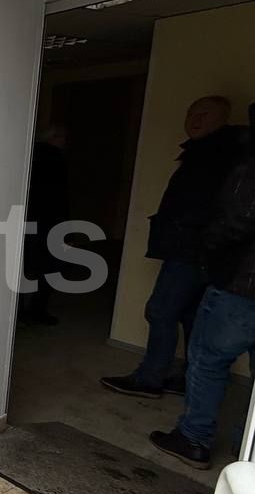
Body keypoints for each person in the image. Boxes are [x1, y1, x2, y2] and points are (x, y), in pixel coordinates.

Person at [150, 79, 255, 469]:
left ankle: (193, 437)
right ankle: (250, 448)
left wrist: (211, 256)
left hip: (243, 281)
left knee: (208, 358)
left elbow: (233, 222)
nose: (194, 119)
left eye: (203, 114)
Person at [101, 95, 244, 397]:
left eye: (204, 113)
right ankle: (189, 378)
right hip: (201, 250)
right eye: (191, 113)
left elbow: (203, 209)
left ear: (222, 118)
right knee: (191, 314)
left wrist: (186, 237)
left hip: (191, 250)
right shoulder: (212, 152)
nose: (195, 119)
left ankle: (150, 378)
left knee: (160, 310)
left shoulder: (215, 156)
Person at [21, 126, 69, 325]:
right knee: (49, 269)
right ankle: (37, 311)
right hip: (49, 222)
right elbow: (60, 197)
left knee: (24, 266)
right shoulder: (56, 161)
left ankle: (18, 311)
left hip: (26, 219)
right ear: (55, 138)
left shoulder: (28, 155)